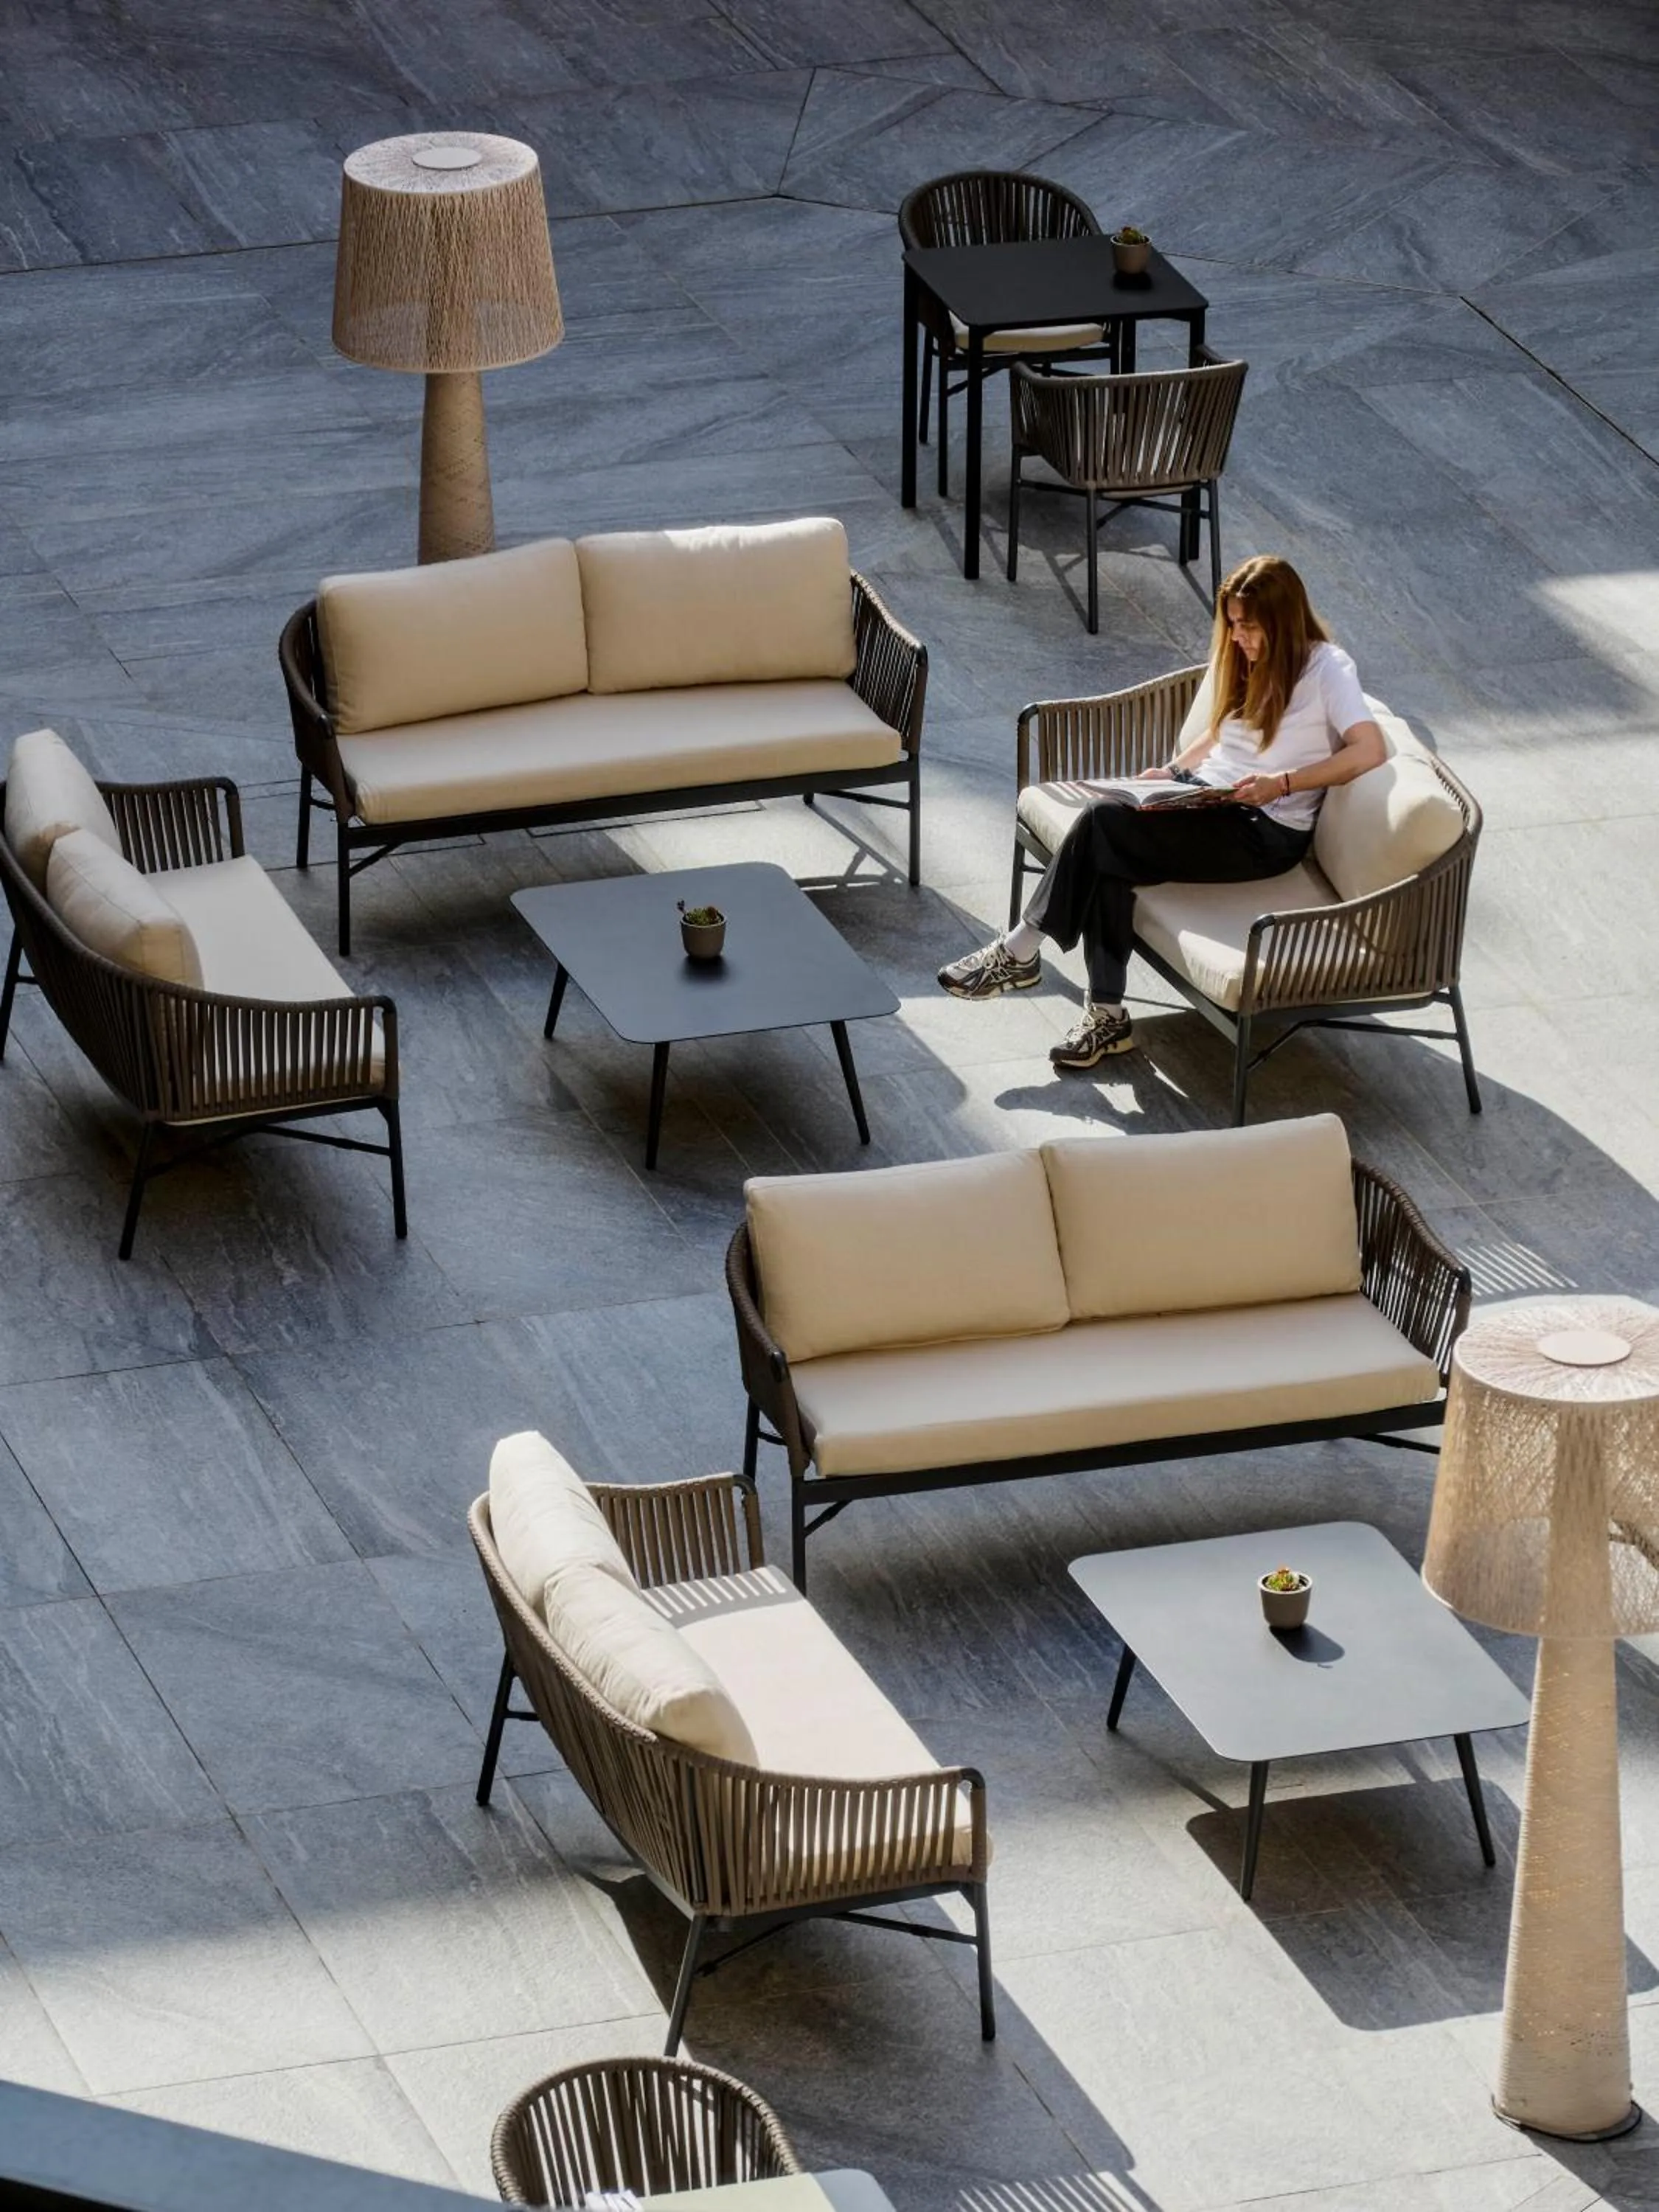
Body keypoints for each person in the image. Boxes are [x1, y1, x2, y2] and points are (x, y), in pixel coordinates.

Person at [937, 554, 1388, 1068]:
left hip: (1264, 830)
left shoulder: (1328, 668)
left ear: (1283, 621)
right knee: (1110, 852)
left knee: (1103, 826)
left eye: (1248, 626)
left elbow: (1369, 751)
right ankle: (1105, 1016)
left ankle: (1019, 951)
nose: (1238, 637)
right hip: (1209, 800)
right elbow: (1225, 733)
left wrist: (1280, 784)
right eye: (1234, 625)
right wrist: (1172, 773)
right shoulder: (1251, 659)